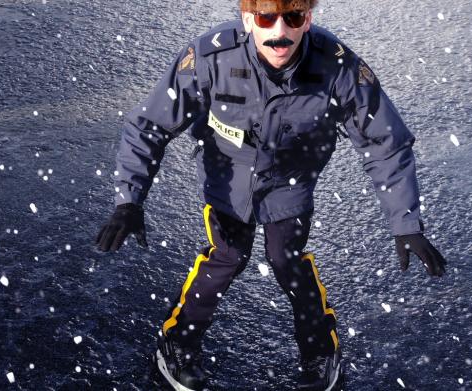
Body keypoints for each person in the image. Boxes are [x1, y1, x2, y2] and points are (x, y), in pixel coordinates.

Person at [95, 0, 447, 389]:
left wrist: (406, 222)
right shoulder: (212, 56)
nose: (279, 31)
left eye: (293, 17)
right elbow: (149, 125)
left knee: (286, 260)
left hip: (289, 179)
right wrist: (129, 200)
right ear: (248, 20)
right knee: (226, 258)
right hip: (227, 178)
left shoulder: (338, 66)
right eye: (266, 18)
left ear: (308, 19)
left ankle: (320, 353)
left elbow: (385, 142)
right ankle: (176, 343)